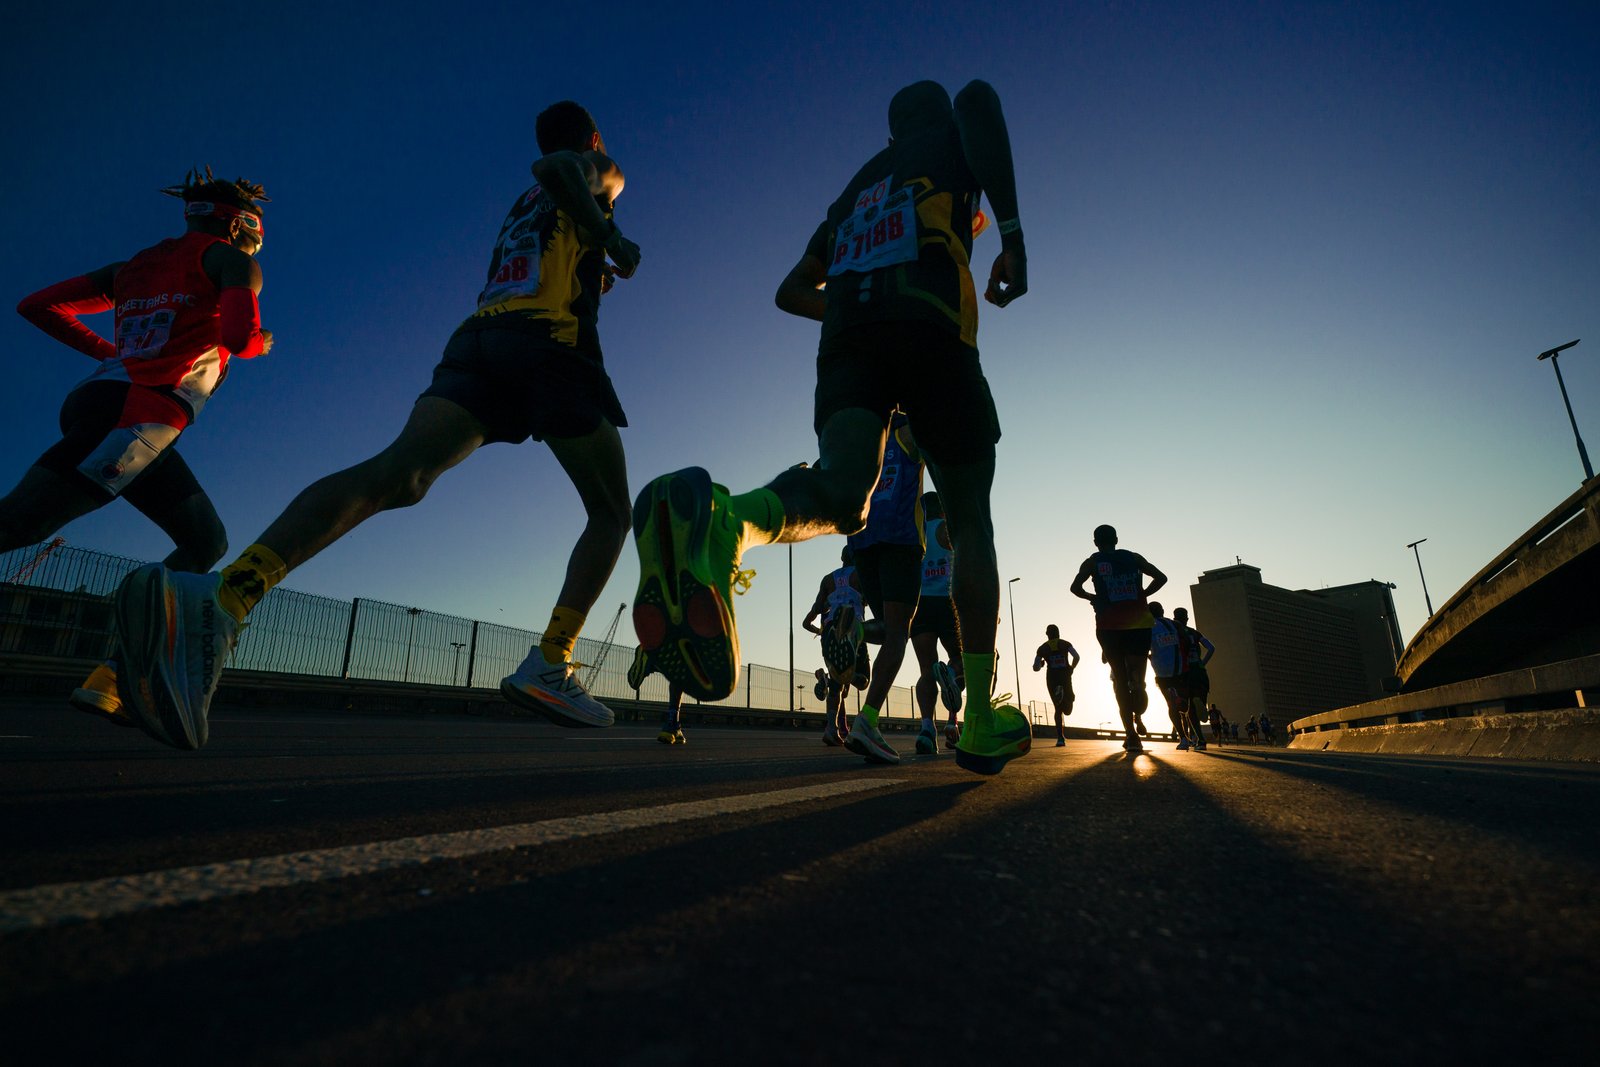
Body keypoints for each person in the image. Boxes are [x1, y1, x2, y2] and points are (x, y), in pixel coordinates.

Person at [113, 102, 642, 750]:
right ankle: (552, 661)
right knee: (612, 511)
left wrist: (592, 260)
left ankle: (226, 599)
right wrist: (611, 234)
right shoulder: (593, 166)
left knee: (399, 475)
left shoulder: (525, 207)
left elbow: (545, 238)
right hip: (549, 344)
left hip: (481, 340)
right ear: (595, 139)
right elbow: (559, 167)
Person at [630, 78, 1028, 774]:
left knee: (845, 492)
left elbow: (790, 291)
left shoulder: (853, 191)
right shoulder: (952, 138)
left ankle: (729, 520)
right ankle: (980, 718)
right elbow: (978, 100)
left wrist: (851, 306)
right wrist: (1014, 237)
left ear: (889, 134)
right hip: (931, 322)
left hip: (849, 342)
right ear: (934, 120)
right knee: (969, 521)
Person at [8, 167, 272, 730]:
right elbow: (238, 339)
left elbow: (36, 305)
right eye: (256, 233)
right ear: (239, 226)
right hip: (141, 416)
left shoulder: (128, 269)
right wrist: (259, 343)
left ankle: (114, 679)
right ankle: (120, 669)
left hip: (103, 399)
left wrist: (111, 355)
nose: (257, 244)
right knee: (19, 525)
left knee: (205, 541)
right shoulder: (233, 263)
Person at [842, 410, 925, 760]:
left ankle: (856, 631)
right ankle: (868, 719)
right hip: (900, 538)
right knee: (898, 634)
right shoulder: (909, 430)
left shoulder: (862, 438)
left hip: (862, 542)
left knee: (889, 630)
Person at [1070, 525, 1166, 752]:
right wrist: (1143, 594)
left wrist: (1093, 597)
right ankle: (1139, 685)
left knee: (1120, 681)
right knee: (1137, 672)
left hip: (1109, 625)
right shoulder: (1134, 558)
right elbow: (1161, 578)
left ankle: (1131, 736)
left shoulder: (1092, 562)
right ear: (1116, 539)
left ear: (1095, 542)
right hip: (1138, 623)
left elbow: (1075, 588)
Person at [910, 491, 964, 752]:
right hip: (948, 603)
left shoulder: (914, 533)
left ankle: (926, 730)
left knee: (926, 671)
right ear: (942, 509)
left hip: (920, 606)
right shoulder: (948, 529)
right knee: (960, 662)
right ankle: (952, 721)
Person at [802, 547, 870, 746]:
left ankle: (831, 729)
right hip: (853, 628)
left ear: (841, 558)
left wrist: (820, 631)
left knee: (836, 684)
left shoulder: (827, 579)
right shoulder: (861, 575)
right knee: (863, 680)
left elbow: (812, 615)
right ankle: (844, 676)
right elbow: (872, 601)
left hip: (829, 632)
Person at [1147, 602, 1194, 749]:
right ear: (1162, 611)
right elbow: (1187, 641)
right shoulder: (1175, 624)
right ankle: (1183, 702)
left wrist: (1150, 657)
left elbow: (1143, 649)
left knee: (1170, 705)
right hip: (1180, 669)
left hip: (1162, 673)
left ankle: (1183, 738)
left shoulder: (1148, 627)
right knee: (1185, 705)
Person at [1172, 607, 1214, 750]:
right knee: (1197, 705)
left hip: (1185, 672)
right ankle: (1200, 704)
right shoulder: (1195, 633)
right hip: (1200, 672)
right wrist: (1202, 663)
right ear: (1187, 618)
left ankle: (1199, 739)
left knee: (1188, 710)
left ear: (1175, 618)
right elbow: (1211, 648)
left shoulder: (1175, 632)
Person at [1032, 624, 1079, 746]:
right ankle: (1064, 696)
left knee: (1058, 709)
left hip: (1052, 678)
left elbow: (1035, 668)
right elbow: (1076, 657)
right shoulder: (1065, 644)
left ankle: (1060, 738)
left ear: (1047, 635)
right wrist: (1072, 668)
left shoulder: (1042, 648)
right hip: (1065, 676)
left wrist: (1041, 664)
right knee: (1068, 709)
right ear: (1058, 633)